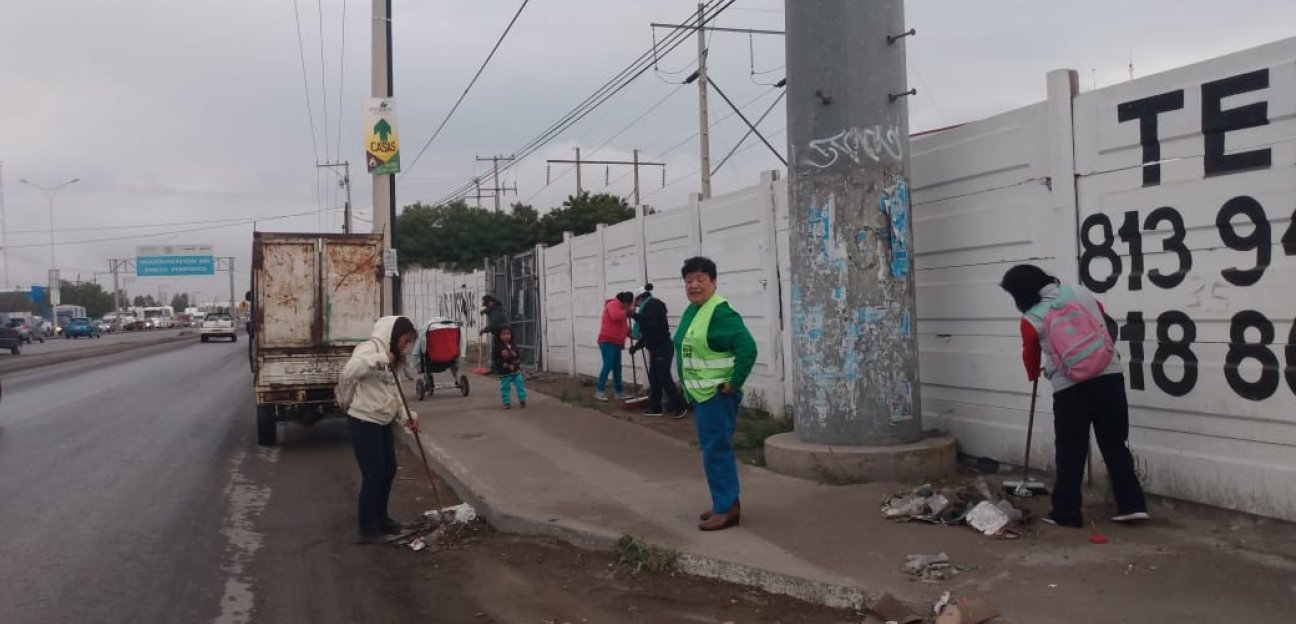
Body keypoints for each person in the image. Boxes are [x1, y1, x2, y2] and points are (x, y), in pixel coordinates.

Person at [999, 264, 1149, 528]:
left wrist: (1034, 374)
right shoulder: (1080, 292)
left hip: (1071, 388)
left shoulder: (1032, 318)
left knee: (1071, 451)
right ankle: (1132, 505)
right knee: (1115, 444)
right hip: (1110, 375)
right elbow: (1102, 321)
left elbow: (1030, 354)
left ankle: (1067, 512)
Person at [674, 257, 757, 531]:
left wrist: (734, 383)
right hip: (701, 395)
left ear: (713, 282)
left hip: (716, 395)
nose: (694, 285)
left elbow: (747, 347)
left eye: (701, 280)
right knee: (712, 450)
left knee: (717, 450)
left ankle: (727, 508)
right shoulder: (695, 310)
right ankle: (723, 502)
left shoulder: (720, 312)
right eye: (689, 280)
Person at [337, 315, 421, 544]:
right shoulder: (369, 348)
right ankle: (366, 527)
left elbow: (395, 394)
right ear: (394, 336)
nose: (406, 345)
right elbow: (350, 370)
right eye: (405, 340)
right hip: (363, 421)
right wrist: (380, 358)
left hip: (383, 422)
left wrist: (408, 418)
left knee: (389, 470)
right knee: (374, 474)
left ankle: (382, 518)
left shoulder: (394, 359)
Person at [629, 283, 687, 419]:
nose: (635, 305)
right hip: (655, 348)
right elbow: (648, 332)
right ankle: (655, 408)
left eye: (636, 301)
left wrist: (634, 315)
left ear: (640, 298)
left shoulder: (653, 305)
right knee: (654, 379)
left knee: (664, 378)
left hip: (663, 347)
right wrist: (636, 347)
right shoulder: (646, 308)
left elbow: (651, 323)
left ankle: (680, 406)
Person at [595, 291, 633, 401]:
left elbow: (623, 326)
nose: (630, 307)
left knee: (617, 368)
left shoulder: (623, 309)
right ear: (625, 302)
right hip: (607, 341)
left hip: (616, 343)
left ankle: (619, 392)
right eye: (629, 305)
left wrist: (632, 334)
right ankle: (599, 391)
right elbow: (615, 316)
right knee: (607, 365)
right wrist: (627, 312)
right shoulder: (613, 304)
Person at [495, 325, 527, 409]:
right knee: (505, 387)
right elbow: (496, 359)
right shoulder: (498, 347)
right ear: (499, 335)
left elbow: (518, 357)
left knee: (520, 383)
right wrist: (504, 364)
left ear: (511, 334)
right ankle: (506, 402)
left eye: (508, 333)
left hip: (516, 371)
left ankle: (522, 399)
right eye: (503, 334)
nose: (506, 336)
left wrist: (516, 364)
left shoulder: (514, 345)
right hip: (505, 372)